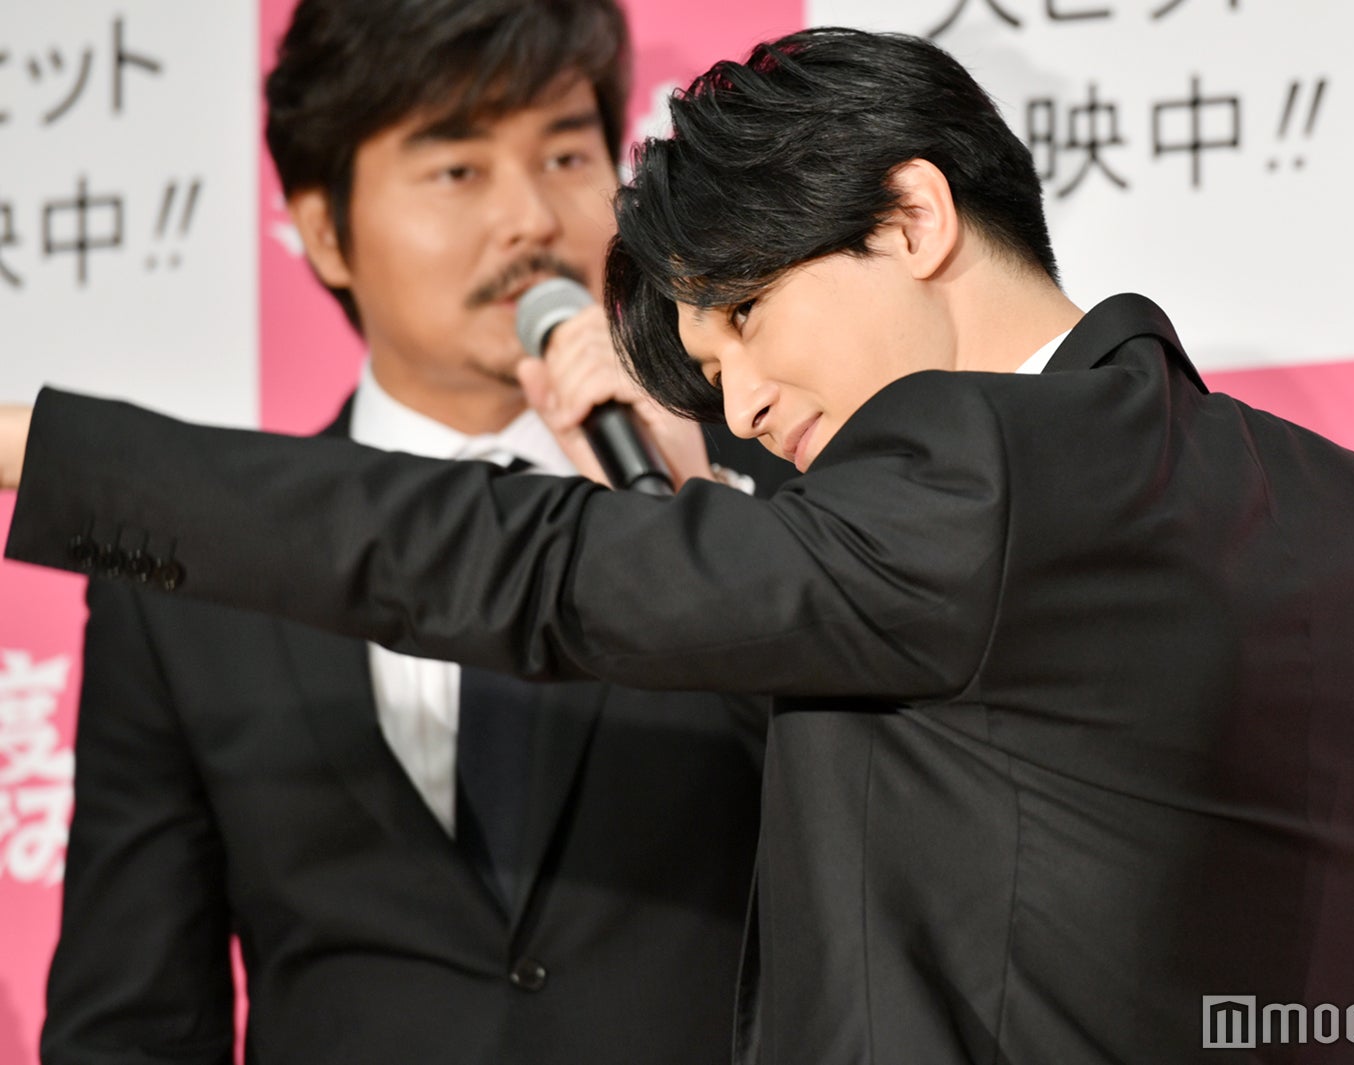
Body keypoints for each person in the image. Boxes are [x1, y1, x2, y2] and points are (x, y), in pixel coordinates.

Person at [4, 26, 1354, 1065]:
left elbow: (528, 566)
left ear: (911, 218)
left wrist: (43, 450)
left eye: (749, 320)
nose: (750, 404)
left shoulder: (968, 474)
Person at [22, 2, 787, 1063]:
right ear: (324, 230)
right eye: (457, 169)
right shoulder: (194, 580)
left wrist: (698, 522)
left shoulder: (773, 499)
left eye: (566, 155)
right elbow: (132, 1023)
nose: (529, 219)